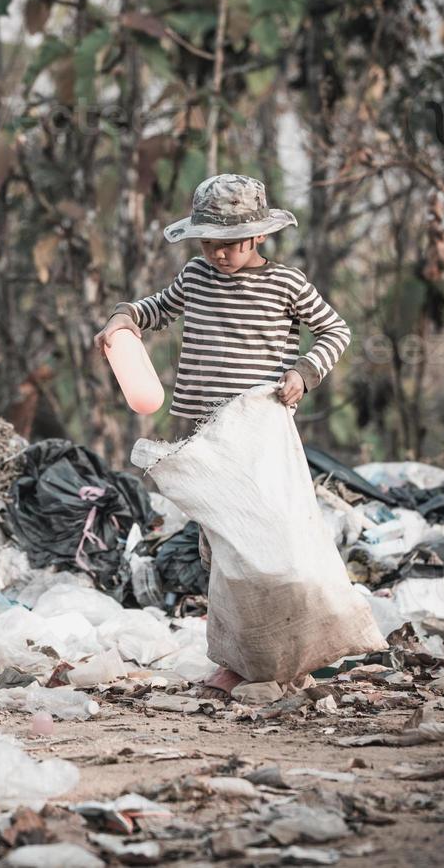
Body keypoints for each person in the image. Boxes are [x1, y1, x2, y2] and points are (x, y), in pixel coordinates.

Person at [92, 173, 352, 698]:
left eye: (230, 244)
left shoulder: (287, 284)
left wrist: (303, 372)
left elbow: (336, 331)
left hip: (262, 433)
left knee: (274, 542)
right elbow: (153, 310)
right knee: (224, 548)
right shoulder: (195, 277)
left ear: (257, 237)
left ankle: (294, 651)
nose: (218, 254)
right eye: (209, 243)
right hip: (207, 437)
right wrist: (122, 320)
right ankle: (239, 659)